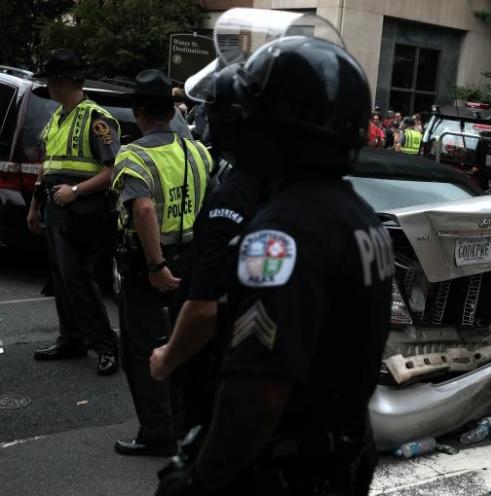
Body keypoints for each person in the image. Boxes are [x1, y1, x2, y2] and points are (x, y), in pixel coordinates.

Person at [154, 27, 393, 495]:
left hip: (285, 474)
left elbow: (258, 395)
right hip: (340, 459)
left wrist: (201, 481)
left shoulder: (281, 235)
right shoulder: (359, 218)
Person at [148, 63, 262, 435]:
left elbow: (206, 308)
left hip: (216, 365)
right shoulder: (276, 183)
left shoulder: (236, 194)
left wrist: (168, 357)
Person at [110, 69, 212, 456]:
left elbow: (144, 209)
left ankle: (157, 432)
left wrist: (154, 266)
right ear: (171, 113)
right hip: (189, 256)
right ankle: (184, 421)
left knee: (143, 349)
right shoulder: (198, 151)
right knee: (182, 342)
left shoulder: (134, 155)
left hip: (151, 265)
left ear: (138, 112)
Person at [28, 49, 120, 375]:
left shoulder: (96, 119)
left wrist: (76, 191)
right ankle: (71, 339)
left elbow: (113, 170)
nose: (49, 86)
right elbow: (47, 164)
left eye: (52, 79)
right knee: (61, 278)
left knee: (77, 279)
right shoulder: (58, 116)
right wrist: (35, 205)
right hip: (56, 209)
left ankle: (106, 346)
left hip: (83, 212)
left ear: (63, 81)